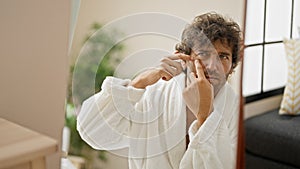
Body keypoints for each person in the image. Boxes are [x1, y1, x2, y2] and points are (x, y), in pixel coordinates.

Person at [77, 12, 242, 169]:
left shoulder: (235, 109)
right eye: (204, 54)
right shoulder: (155, 93)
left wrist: (206, 117)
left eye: (223, 56)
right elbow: (91, 132)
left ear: (232, 64)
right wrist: (138, 84)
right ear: (185, 57)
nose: (213, 66)